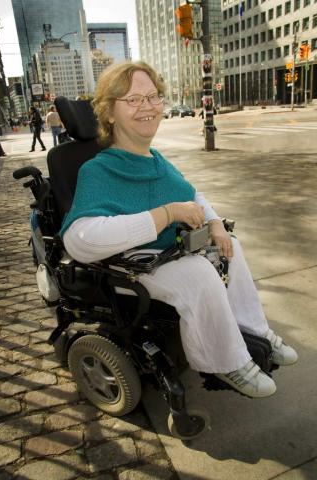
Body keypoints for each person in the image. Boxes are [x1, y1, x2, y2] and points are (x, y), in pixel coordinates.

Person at [60, 61, 298, 398]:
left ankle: (256, 332)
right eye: (133, 100)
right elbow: (79, 240)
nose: (147, 107)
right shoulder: (97, 171)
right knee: (199, 272)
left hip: (172, 251)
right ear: (109, 113)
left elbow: (190, 195)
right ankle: (226, 362)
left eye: (152, 97)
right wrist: (167, 213)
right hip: (132, 268)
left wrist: (214, 223)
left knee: (232, 246)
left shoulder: (154, 158)